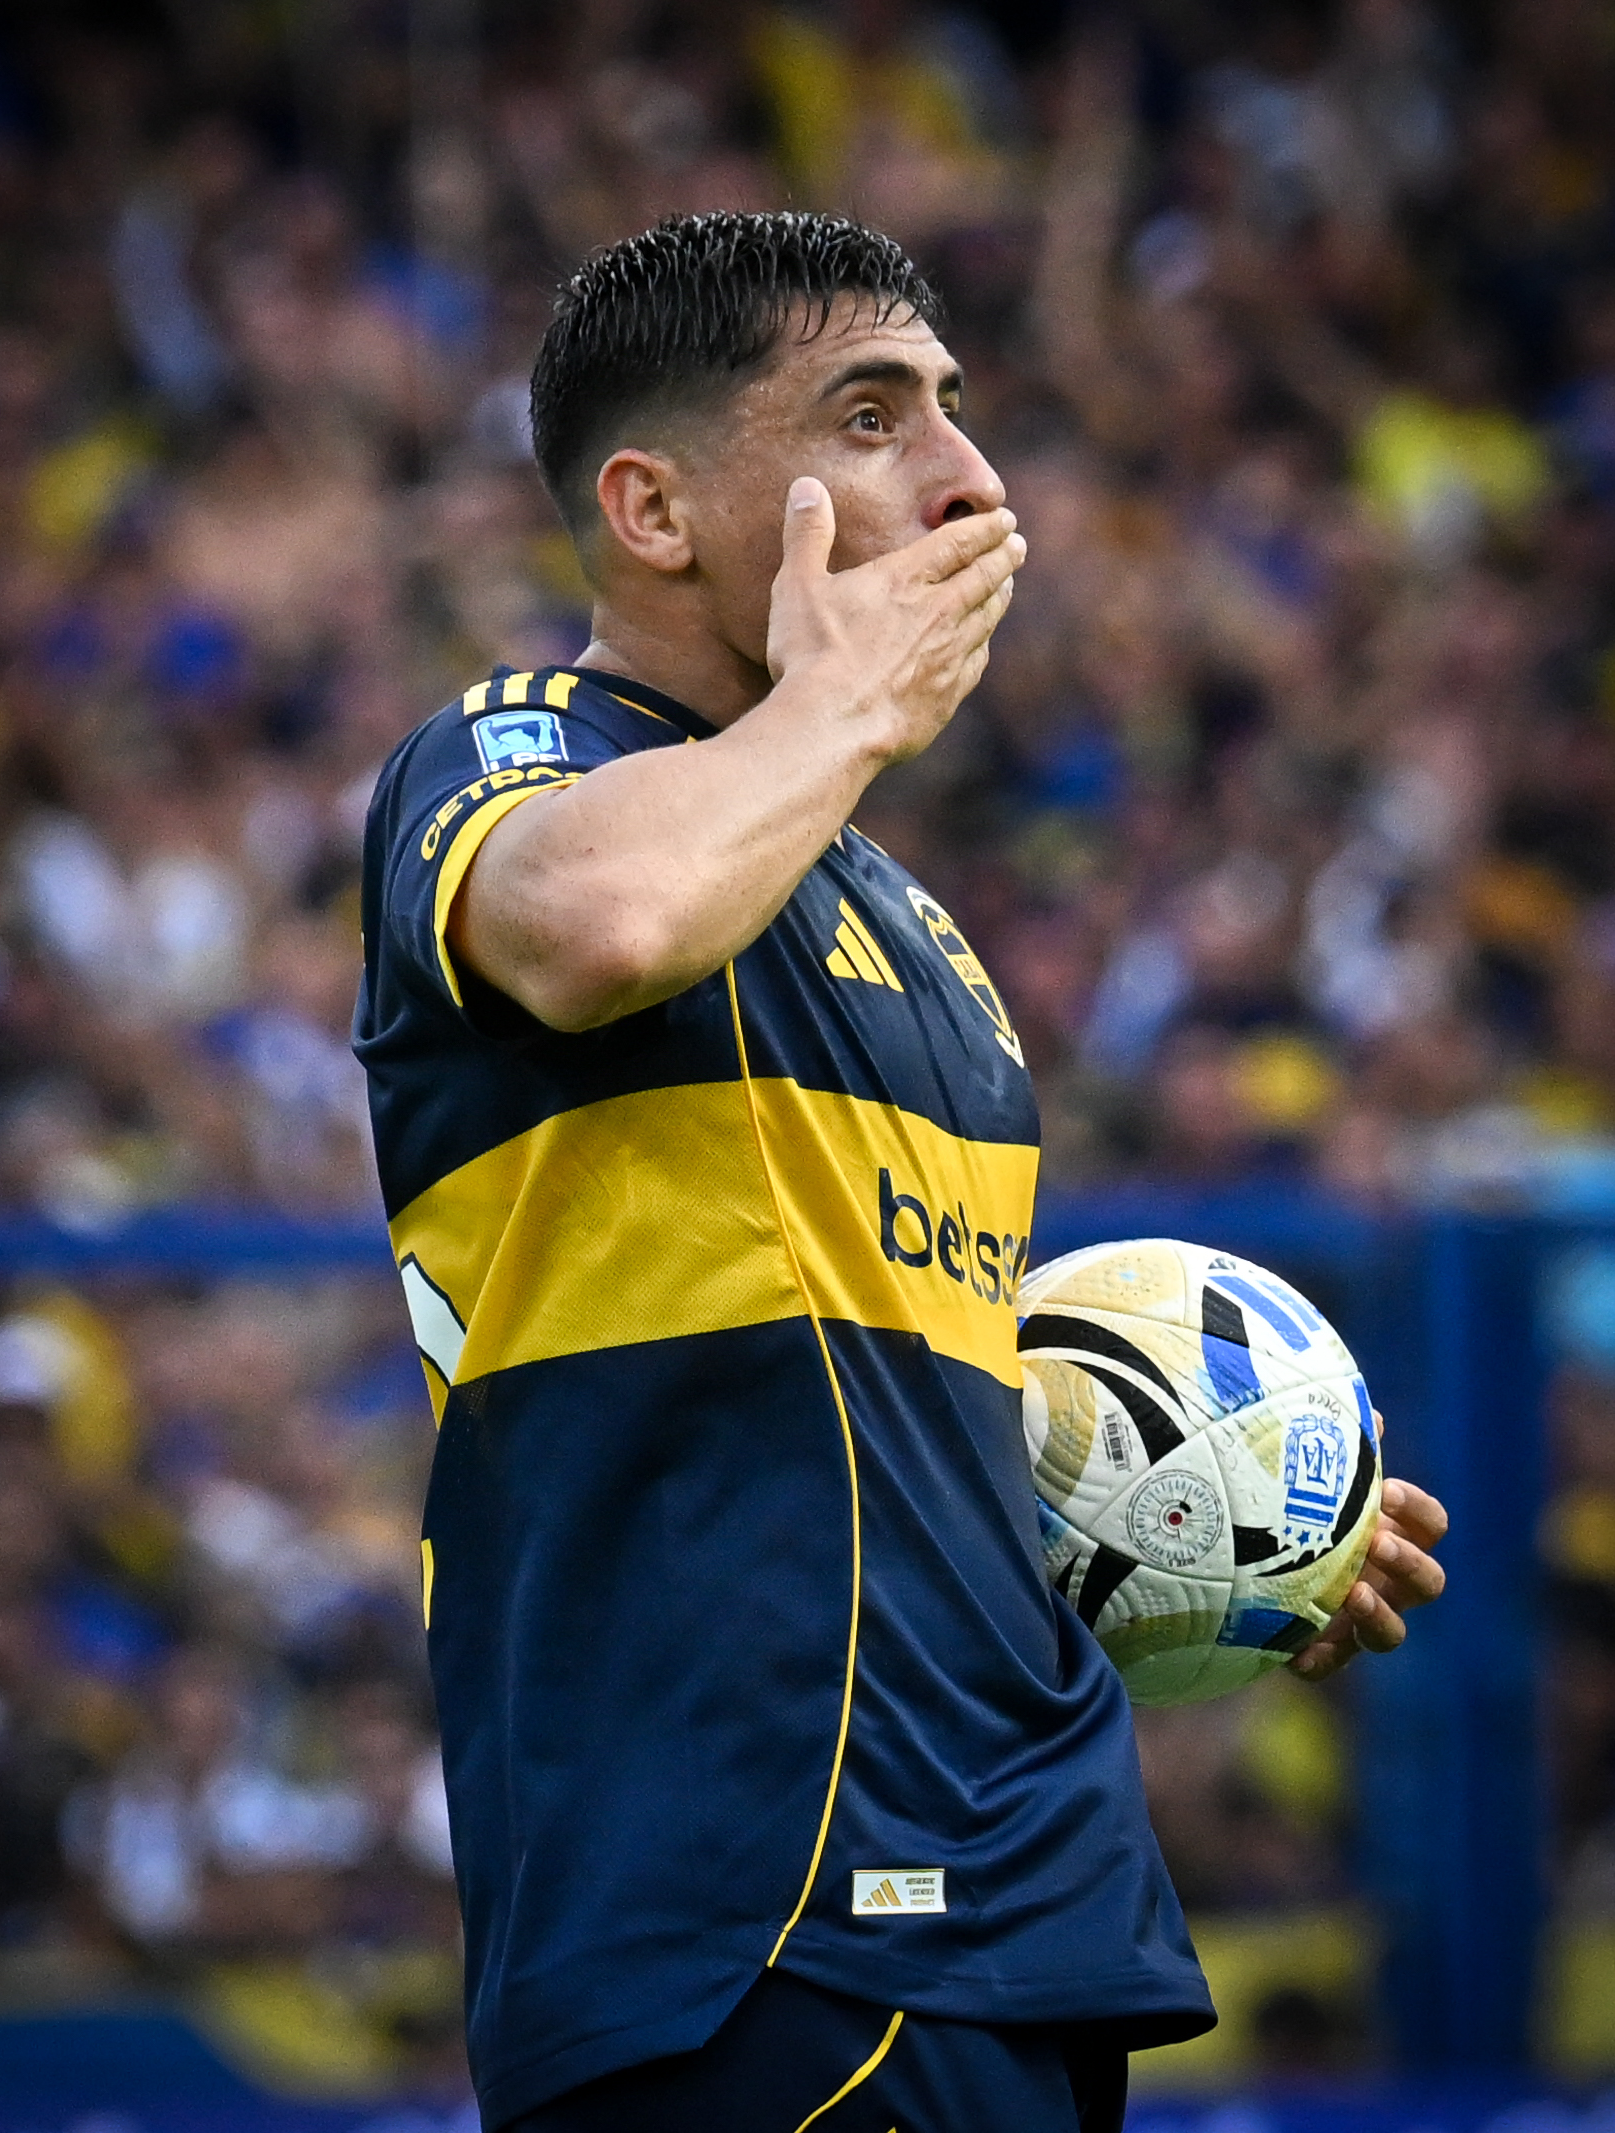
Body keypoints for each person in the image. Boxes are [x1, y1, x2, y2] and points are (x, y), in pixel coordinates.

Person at [353, 212, 1447, 2133]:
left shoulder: (910, 926)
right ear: (654, 510)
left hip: (1025, 1908)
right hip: (748, 1910)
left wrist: (1212, 1528)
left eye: (952, 408)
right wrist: (842, 705)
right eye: (870, 418)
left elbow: (881, 1440)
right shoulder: (511, 751)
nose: (969, 479)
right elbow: (600, 925)